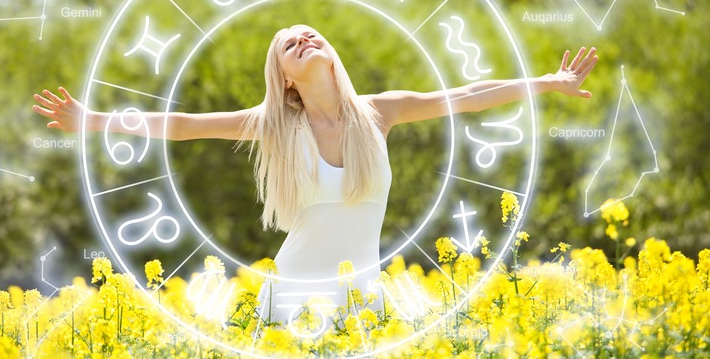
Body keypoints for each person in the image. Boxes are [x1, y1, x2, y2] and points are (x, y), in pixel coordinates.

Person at [33, 24, 597, 329]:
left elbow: (467, 97)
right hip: (292, 302)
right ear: (284, 80)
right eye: (288, 44)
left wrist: (547, 82)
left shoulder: (379, 112)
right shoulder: (276, 126)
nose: (303, 39)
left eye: (309, 34)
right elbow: (182, 126)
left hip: (366, 304)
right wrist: (95, 120)